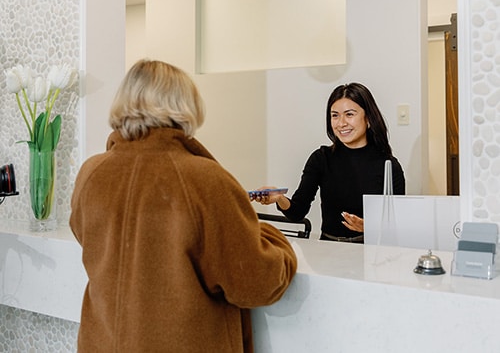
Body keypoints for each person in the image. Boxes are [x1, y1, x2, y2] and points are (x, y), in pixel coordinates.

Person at [70, 59, 297, 353]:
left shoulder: (92, 173)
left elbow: (85, 235)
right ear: (185, 104)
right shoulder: (205, 179)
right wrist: (273, 237)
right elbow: (255, 282)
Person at [253, 82, 405, 242]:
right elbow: (297, 213)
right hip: (328, 247)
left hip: (369, 250)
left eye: (350, 114)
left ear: (368, 118)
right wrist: (280, 199)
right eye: (335, 115)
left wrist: (370, 228)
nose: (341, 123)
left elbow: (398, 225)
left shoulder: (388, 165)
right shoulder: (321, 158)